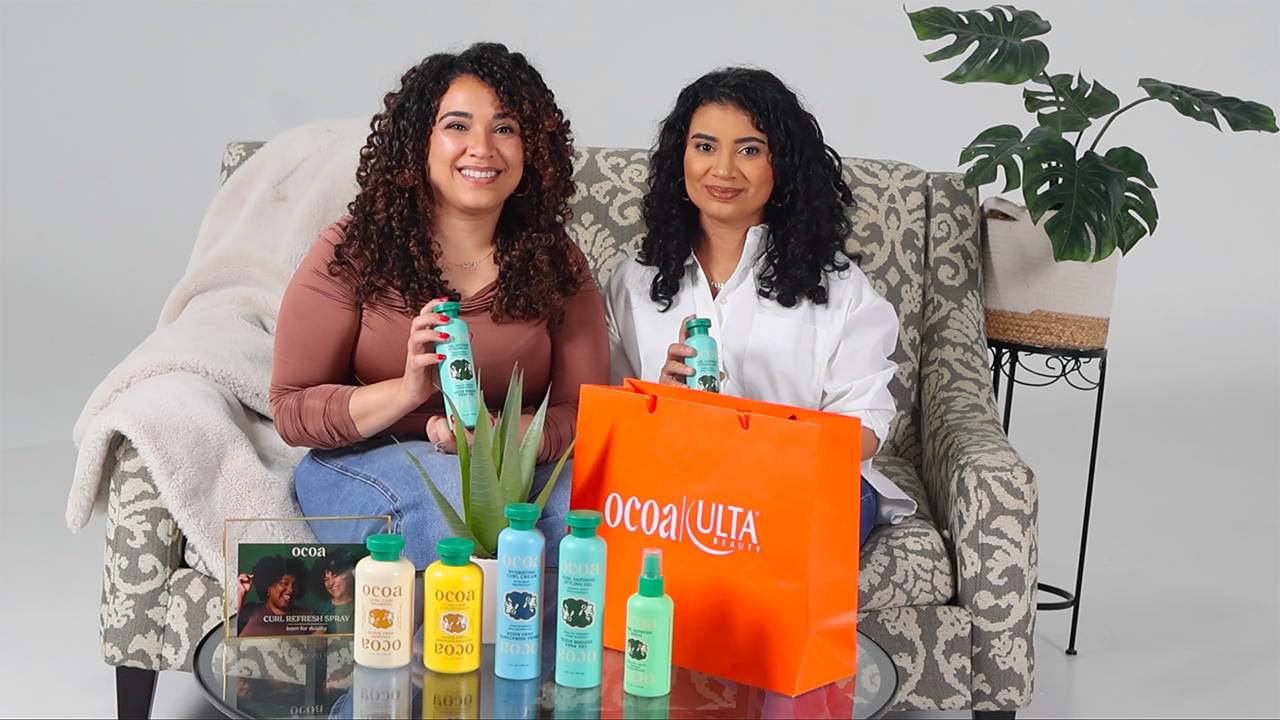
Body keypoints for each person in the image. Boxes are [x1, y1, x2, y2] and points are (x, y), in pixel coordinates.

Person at [271, 43, 609, 567]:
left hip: (511, 461)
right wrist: (407, 392)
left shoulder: (554, 260)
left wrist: (492, 437)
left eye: (505, 128)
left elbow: (582, 412)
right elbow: (292, 408)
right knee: (450, 514)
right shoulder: (355, 248)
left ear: (532, 149)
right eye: (457, 126)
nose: (482, 148)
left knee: (594, 521)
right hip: (371, 456)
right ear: (419, 144)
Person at [605, 67, 916, 546]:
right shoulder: (634, 282)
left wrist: (764, 447)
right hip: (676, 486)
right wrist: (660, 403)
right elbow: (609, 420)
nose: (723, 170)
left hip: (797, 486)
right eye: (705, 147)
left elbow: (866, 425)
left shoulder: (838, 287)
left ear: (782, 164)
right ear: (680, 158)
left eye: (749, 150)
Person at [236, 555, 321, 637]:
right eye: (284, 583)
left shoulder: (305, 616)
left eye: (295, 586)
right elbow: (230, 629)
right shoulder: (249, 610)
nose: (291, 589)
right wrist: (241, 593)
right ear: (268, 585)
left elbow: (323, 640)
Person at [308, 550, 357, 634]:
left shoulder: (360, 604)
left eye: (335, 576)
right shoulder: (318, 607)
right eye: (326, 579)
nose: (331, 583)